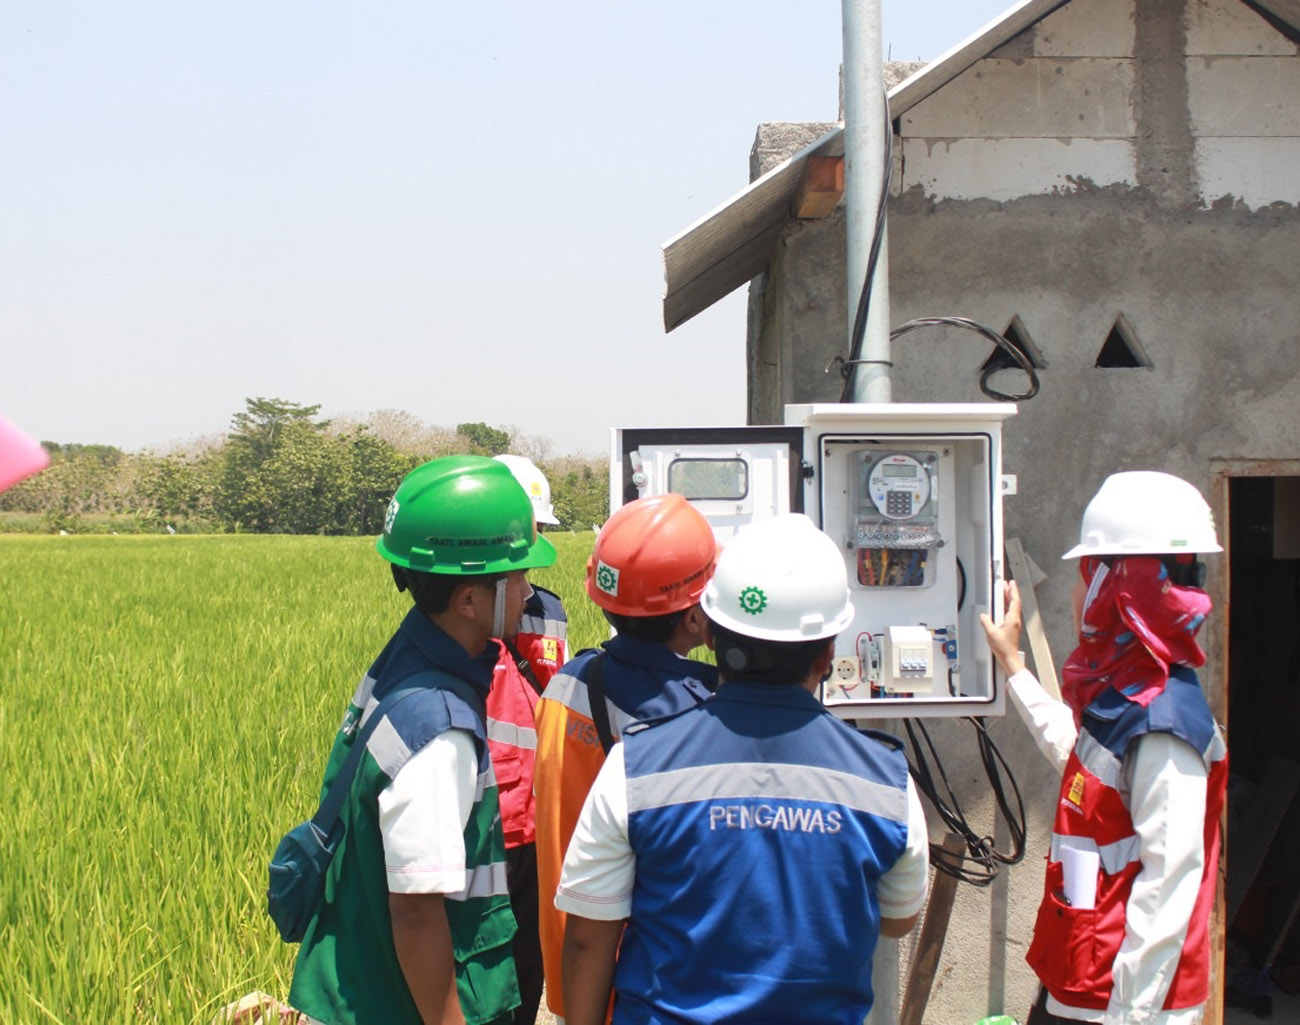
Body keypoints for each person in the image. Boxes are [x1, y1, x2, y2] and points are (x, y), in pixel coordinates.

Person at [557, 513, 930, 1025]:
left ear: (711, 633)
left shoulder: (636, 764)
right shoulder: (888, 784)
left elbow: (586, 935)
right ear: (829, 651)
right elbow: (897, 918)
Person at [287, 455, 556, 1025]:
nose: (529, 590)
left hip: (371, 980)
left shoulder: (403, 659)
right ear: (467, 600)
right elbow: (416, 911)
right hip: (402, 1002)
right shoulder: (439, 729)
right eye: (515, 574)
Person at [979, 471, 1228, 1025]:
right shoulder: (1130, 696)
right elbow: (1078, 759)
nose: (1075, 593)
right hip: (1083, 982)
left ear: (1116, 588)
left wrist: (1131, 1018)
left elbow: (1170, 881)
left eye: (1084, 576)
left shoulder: (1163, 721)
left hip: (1122, 1005)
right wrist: (1013, 666)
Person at [532, 493, 719, 1022]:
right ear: (692, 618)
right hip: (642, 980)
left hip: (573, 968)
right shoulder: (693, 714)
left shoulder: (566, 685)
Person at [487, 454, 569, 1025]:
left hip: (528, 809)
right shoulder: (481, 608)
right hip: (504, 813)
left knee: (517, 955)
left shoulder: (547, 609)